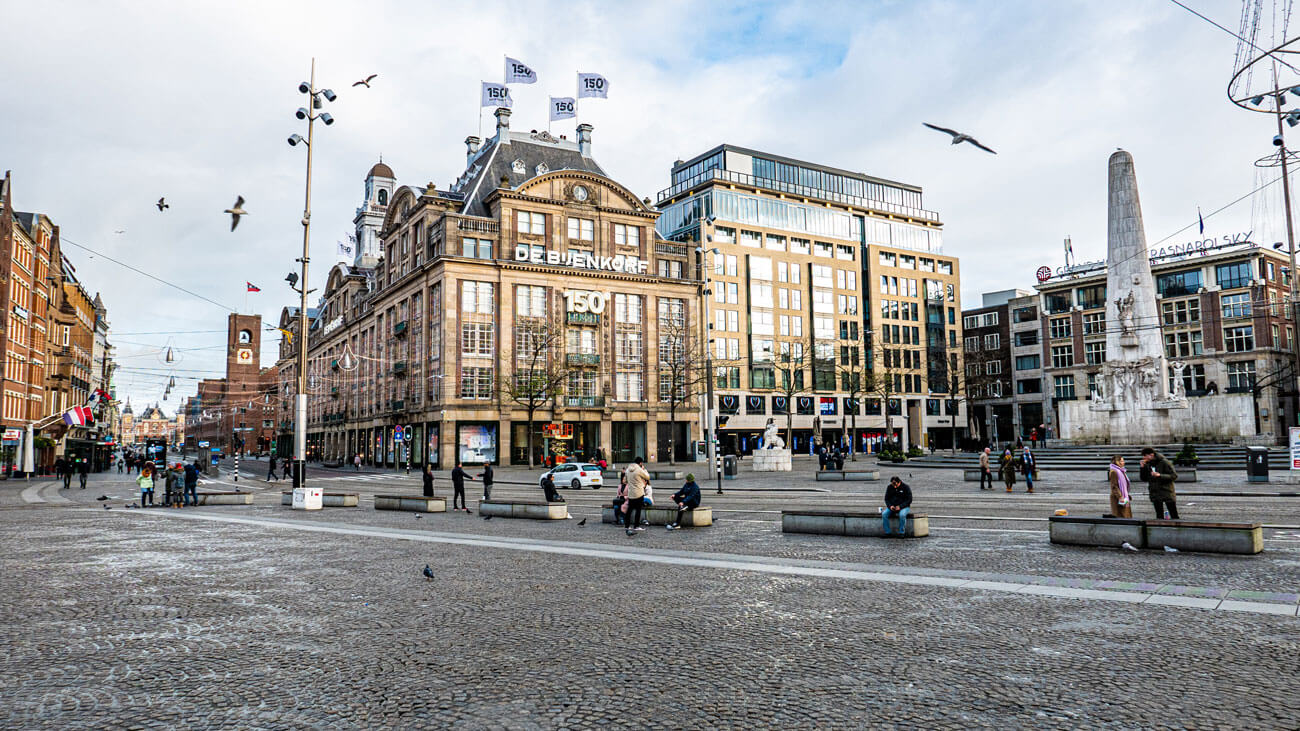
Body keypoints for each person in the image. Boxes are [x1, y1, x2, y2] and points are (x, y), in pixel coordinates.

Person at [1141, 447, 1179, 519]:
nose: (1144, 458)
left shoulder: (1164, 462)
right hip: (1155, 493)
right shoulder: (1148, 464)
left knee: (1174, 514)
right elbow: (1144, 478)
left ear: (1151, 455)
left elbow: (1174, 476)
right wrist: (1142, 468)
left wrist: (1160, 475)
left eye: (1145, 456)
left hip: (1167, 491)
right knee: (1159, 516)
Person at [623, 457, 651, 536]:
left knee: (629, 510)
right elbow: (647, 477)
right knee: (638, 510)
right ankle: (636, 526)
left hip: (631, 493)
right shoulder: (639, 470)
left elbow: (625, 481)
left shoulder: (628, 469)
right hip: (639, 492)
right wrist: (644, 470)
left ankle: (627, 525)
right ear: (640, 463)